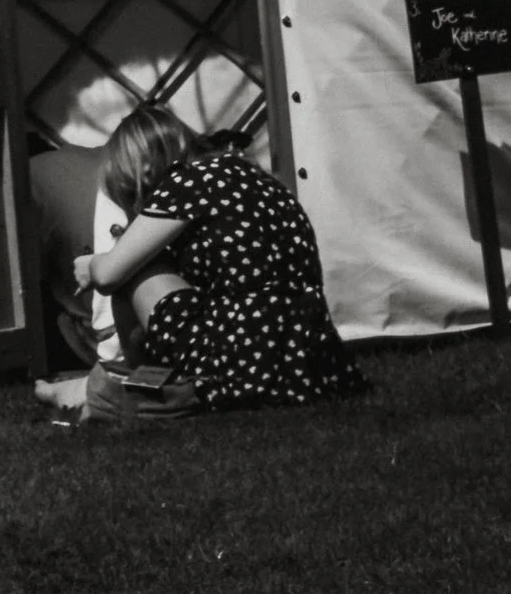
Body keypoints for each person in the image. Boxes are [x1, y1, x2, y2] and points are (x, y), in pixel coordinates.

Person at [76, 106, 366, 411]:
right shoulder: (249, 173)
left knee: (132, 268)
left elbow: (109, 274)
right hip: (309, 360)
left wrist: (91, 265)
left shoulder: (185, 184)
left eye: (129, 188)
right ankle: (105, 387)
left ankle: (139, 388)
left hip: (242, 361)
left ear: (145, 168)